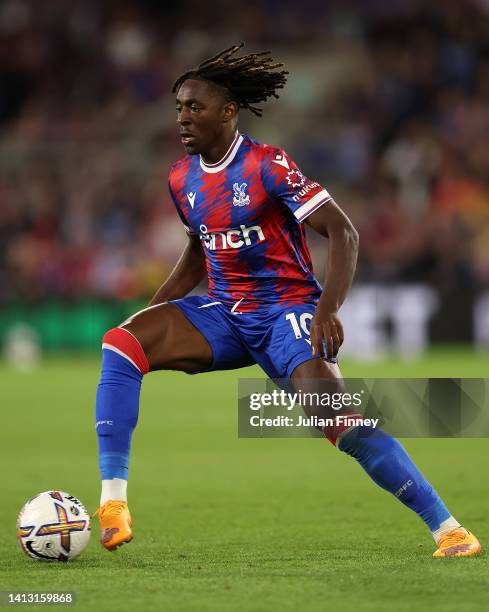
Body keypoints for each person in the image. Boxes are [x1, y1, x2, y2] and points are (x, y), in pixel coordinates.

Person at [93, 44, 481, 558]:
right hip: (226, 313)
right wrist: (153, 310)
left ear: (228, 111)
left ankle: (450, 529)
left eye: (195, 107)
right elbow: (199, 248)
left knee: (340, 423)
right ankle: (113, 503)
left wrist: (327, 308)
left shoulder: (267, 164)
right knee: (122, 344)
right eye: (179, 108)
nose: (183, 117)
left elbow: (343, 233)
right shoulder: (180, 178)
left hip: (287, 313)